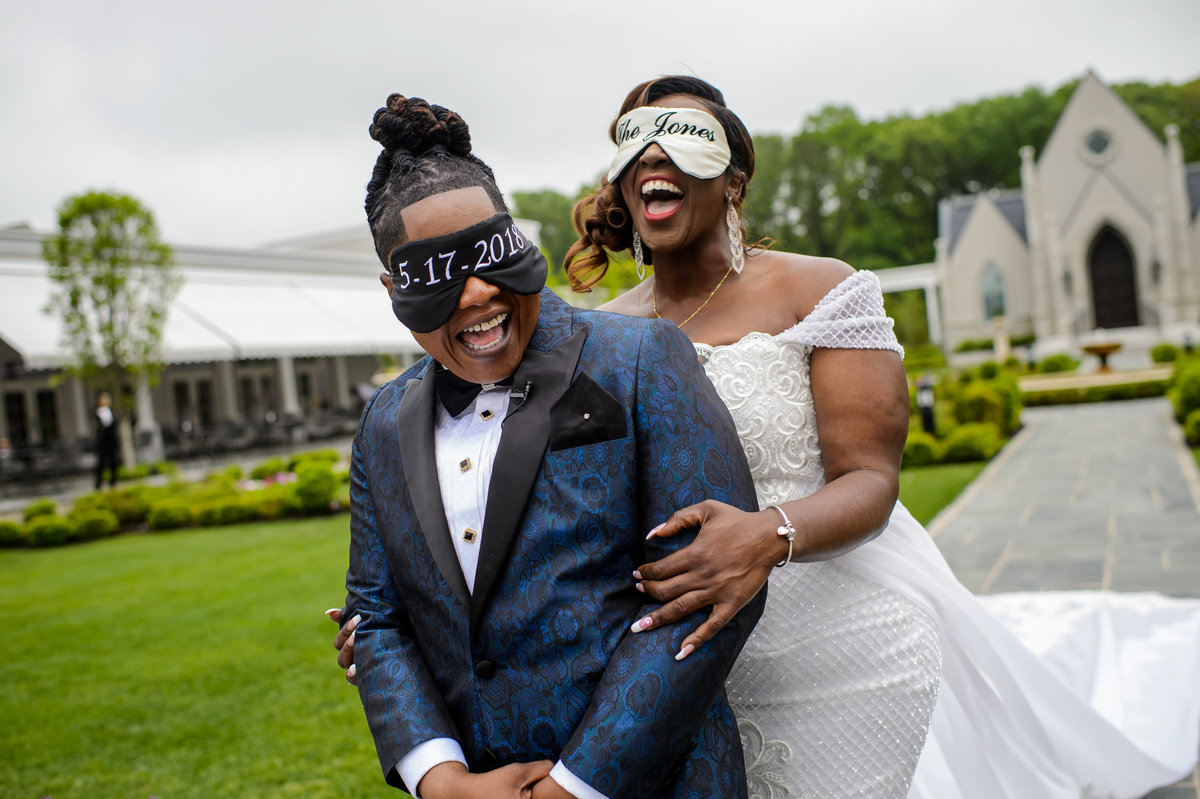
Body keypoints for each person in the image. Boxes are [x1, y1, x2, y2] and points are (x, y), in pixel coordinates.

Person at [335, 78, 1200, 798]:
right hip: (665, 655)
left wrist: (768, 533)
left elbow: (871, 474)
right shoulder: (579, 336)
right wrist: (415, 619)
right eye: (639, 148)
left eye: (686, 144)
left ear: (734, 179)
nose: (657, 163)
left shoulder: (813, 292)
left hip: (827, 621)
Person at [339, 93, 765, 799]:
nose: (476, 294)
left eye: (490, 254)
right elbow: (378, 620)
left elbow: (710, 589)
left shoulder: (641, 360)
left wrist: (577, 785)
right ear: (392, 289)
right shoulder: (383, 423)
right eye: (437, 275)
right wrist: (440, 779)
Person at [94, 392, 118, 489]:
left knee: (113, 460)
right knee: (101, 462)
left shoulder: (112, 411)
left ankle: (113, 481)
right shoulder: (96, 412)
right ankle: (99, 483)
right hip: (102, 441)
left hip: (111, 440)